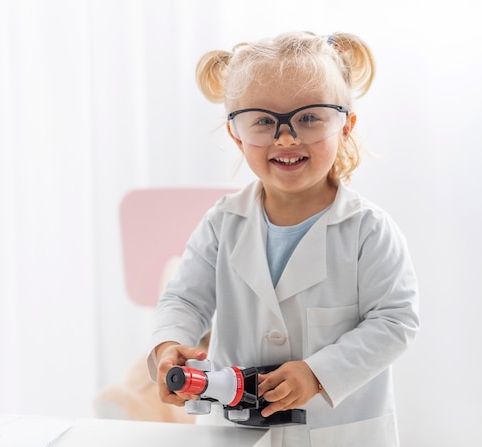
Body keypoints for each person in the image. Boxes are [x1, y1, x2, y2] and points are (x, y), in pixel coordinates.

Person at [147, 31, 420, 447]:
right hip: (234, 431)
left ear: (345, 126)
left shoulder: (368, 230)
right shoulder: (223, 223)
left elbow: (395, 321)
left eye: (309, 118)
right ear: (237, 134)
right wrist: (170, 346)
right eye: (262, 121)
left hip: (337, 431)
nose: (286, 137)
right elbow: (184, 301)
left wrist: (319, 373)